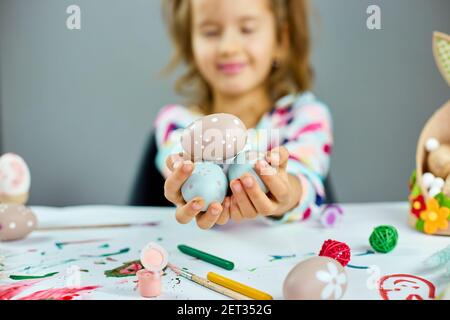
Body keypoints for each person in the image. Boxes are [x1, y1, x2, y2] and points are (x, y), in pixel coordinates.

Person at [154, 0, 333, 229]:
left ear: (280, 40)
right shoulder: (176, 122)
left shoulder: (304, 117)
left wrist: (284, 194)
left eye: (247, 29)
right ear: (191, 45)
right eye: (210, 32)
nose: (228, 47)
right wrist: (187, 182)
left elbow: (306, 179)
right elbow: (183, 169)